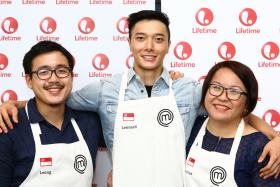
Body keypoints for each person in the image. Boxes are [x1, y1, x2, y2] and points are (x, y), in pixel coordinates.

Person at [0, 10, 280, 186]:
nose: (149, 46)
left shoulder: (191, 89)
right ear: (130, 42)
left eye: (158, 39)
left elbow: (231, 108)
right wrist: (15, 104)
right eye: (141, 38)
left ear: (169, 45)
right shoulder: (104, 89)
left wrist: (275, 137)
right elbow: (55, 97)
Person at [0, 41, 102, 186]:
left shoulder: (90, 122)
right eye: (43, 72)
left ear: (71, 76)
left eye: (61, 71)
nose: (54, 79)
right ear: (29, 80)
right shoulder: (8, 127)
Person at [185, 60, 280, 186]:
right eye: (216, 87)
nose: (223, 97)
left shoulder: (259, 148)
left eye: (234, 91)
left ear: (247, 103)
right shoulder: (190, 125)